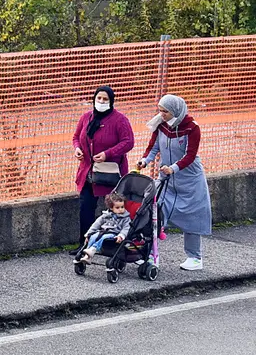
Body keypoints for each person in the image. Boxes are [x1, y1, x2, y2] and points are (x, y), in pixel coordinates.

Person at [137, 94, 212, 271]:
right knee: (156, 211)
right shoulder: (160, 124)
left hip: (189, 179)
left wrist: (174, 168)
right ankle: (149, 252)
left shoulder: (192, 128)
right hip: (167, 178)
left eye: (166, 112)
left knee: (193, 216)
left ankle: (195, 257)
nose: (162, 115)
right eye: (160, 110)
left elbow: (190, 155)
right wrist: (145, 160)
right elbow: (153, 146)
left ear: (176, 112)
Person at [72, 85, 135, 237]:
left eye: (105, 99)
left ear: (111, 101)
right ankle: (85, 242)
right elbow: (76, 137)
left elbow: (128, 142)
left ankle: (115, 241)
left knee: (115, 208)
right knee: (85, 207)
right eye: (98, 98)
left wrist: (108, 153)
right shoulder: (86, 117)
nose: (101, 101)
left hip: (110, 172)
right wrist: (77, 148)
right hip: (88, 171)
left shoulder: (120, 120)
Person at [79, 191, 131, 262]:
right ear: (111, 208)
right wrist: (89, 234)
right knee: (93, 236)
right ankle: (87, 254)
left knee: (104, 238)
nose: (121, 209)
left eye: (122, 207)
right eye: (118, 207)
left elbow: (126, 228)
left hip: (114, 234)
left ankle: (93, 249)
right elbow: (96, 224)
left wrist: (121, 236)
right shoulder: (106, 215)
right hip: (103, 231)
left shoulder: (126, 218)